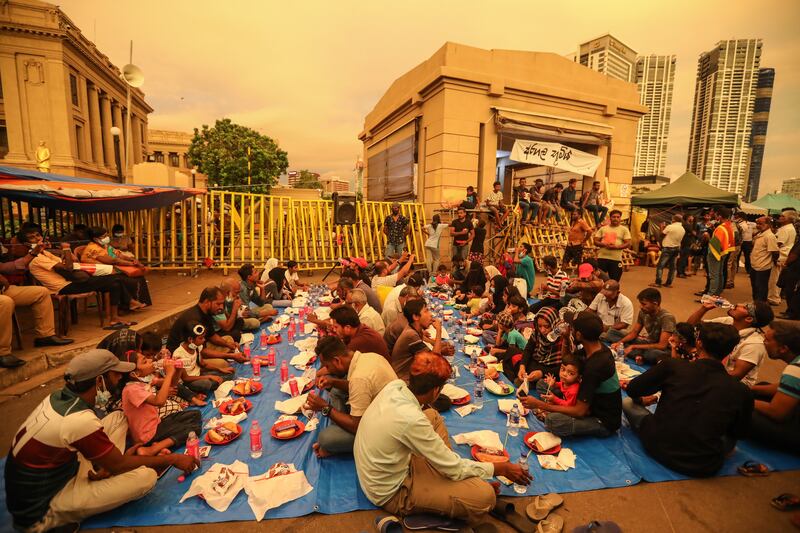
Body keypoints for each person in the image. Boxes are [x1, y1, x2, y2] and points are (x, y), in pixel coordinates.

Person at [4, 349, 197, 532]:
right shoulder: (80, 420)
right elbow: (120, 465)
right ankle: (53, 520)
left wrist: (111, 464)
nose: (120, 377)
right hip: (41, 508)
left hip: (59, 472)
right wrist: (173, 459)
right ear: (99, 381)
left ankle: (103, 466)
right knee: (146, 478)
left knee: (118, 418)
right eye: (115, 374)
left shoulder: (57, 397)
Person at [353, 352, 531, 525]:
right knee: (485, 497)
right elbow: (455, 468)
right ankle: (438, 502)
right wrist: (502, 468)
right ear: (436, 390)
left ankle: (451, 481)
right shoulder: (411, 419)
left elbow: (451, 465)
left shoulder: (396, 386)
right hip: (391, 491)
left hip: (385, 467)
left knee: (432, 415)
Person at [622, 322, 752, 477]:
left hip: (656, 445)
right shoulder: (741, 390)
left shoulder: (673, 366)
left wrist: (645, 398)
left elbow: (633, 389)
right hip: (703, 464)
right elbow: (740, 432)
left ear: (699, 343)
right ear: (731, 350)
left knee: (628, 403)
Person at [521, 312, 622, 437]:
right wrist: (565, 338)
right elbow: (567, 361)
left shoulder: (595, 366)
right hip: (583, 399)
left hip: (601, 419)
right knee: (543, 384)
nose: (569, 329)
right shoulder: (593, 348)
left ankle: (550, 411)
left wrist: (540, 405)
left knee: (554, 421)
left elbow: (580, 411)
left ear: (579, 334)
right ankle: (554, 407)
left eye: (572, 328)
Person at [21, 226, 136, 330]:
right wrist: (66, 250)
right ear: (27, 244)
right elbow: (68, 267)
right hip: (62, 287)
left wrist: (68, 252)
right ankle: (128, 304)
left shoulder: (45, 253)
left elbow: (71, 262)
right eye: (32, 238)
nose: (37, 238)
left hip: (70, 281)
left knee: (115, 284)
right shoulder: (36, 258)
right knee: (116, 278)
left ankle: (115, 318)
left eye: (38, 235)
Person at [304, 336, 397, 457]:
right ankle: (339, 436)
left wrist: (324, 408)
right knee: (336, 390)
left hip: (386, 432)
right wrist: (332, 381)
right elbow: (356, 386)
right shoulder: (369, 357)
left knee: (325, 438)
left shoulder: (359, 378)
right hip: (386, 412)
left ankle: (337, 444)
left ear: (337, 360)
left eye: (327, 366)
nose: (327, 370)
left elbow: (356, 427)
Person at [0, 244, 73, 367]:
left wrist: (33, 253)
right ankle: (2, 353)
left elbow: (8, 267)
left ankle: (45, 336)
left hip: (3, 289)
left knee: (41, 292)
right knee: (5, 302)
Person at [120, 351, 202, 456]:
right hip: (148, 435)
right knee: (194, 429)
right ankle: (152, 449)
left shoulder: (143, 382)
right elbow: (159, 401)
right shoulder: (131, 389)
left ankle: (160, 445)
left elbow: (172, 384)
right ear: (135, 373)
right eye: (145, 361)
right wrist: (169, 373)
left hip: (157, 424)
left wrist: (178, 369)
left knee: (195, 414)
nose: (151, 361)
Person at [686, 300, 773, 387]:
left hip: (733, 386)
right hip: (713, 370)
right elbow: (690, 328)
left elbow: (736, 376)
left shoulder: (754, 344)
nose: (738, 304)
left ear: (749, 319)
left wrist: (699, 375)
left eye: (744, 307)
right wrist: (703, 309)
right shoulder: (729, 321)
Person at [748, 321, 800, 453]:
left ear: (783, 348)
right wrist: (749, 390)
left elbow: (777, 413)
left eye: (767, 340)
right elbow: (787, 386)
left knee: (742, 412)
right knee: (761, 387)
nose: (763, 342)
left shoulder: (795, 370)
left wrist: (741, 399)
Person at [165, 286, 248, 365]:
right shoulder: (195, 320)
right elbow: (202, 351)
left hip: (197, 348)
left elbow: (212, 336)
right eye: (218, 304)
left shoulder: (206, 312)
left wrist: (229, 345)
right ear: (207, 302)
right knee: (223, 364)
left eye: (222, 304)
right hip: (183, 358)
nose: (221, 307)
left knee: (229, 340)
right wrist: (231, 356)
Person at [81, 226, 152, 308]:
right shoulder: (92, 248)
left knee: (139, 277)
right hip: (96, 275)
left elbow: (120, 255)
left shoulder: (105, 246)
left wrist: (133, 260)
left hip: (109, 271)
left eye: (106, 235)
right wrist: (132, 264)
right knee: (124, 279)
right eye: (104, 236)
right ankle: (127, 304)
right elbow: (112, 261)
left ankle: (135, 302)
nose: (107, 238)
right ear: (95, 239)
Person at [608, 288, 676, 365]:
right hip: (647, 342)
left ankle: (634, 353)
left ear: (655, 303)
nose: (640, 306)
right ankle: (635, 353)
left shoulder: (667, 318)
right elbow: (634, 333)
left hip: (660, 349)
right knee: (612, 332)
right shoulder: (643, 312)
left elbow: (662, 345)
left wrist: (633, 346)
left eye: (644, 304)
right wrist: (619, 342)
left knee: (652, 354)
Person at [391, 299, 444, 381]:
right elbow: (434, 360)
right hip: (404, 381)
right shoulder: (411, 335)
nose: (430, 314)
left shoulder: (413, 329)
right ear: (416, 317)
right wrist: (439, 331)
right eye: (426, 311)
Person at [510, 306, 565, 385]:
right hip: (536, 363)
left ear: (554, 324)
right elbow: (528, 350)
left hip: (551, 370)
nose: (542, 330)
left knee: (543, 382)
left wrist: (541, 373)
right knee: (512, 353)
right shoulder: (537, 333)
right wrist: (522, 367)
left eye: (546, 326)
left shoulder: (562, 338)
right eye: (539, 326)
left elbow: (563, 368)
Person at [172, 323, 229, 395]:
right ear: (190, 339)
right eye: (201, 338)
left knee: (228, 373)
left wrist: (220, 369)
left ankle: (217, 383)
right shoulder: (179, 355)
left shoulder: (197, 346)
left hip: (200, 375)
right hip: (189, 382)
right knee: (207, 383)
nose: (204, 340)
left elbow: (203, 364)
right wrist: (209, 376)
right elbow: (186, 378)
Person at [704, 207, 736, 297]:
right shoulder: (729, 226)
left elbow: (715, 244)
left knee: (713, 275)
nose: (714, 215)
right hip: (724, 253)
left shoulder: (721, 228)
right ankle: (717, 293)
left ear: (720, 216)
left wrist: (708, 237)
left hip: (715, 253)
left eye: (716, 214)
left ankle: (711, 295)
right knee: (720, 273)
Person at [769, 209, 798, 305]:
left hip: (781, 255)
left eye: (783, 216)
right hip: (784, 254)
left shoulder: (786, 229)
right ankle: (775, 297)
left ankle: (774, 298)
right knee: (777, 277)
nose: (780, 217)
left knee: (775, 278)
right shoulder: (786, 227)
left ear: (789, 219)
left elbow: (778, 243)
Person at [748, 216, 780, 302]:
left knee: (761, 288)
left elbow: (775, 252)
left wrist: (775, 262)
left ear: (768, 224)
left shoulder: (770, 236)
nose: (758, 225)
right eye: (757, 223)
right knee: (755, 287)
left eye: (760, 223)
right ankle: (756, 304)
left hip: (763, 267)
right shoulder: (760, 234)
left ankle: (760, 306)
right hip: (755, 265)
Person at [593, 210, 631, 281]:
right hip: (602, 258)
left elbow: (628, 243)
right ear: (610, 218)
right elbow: (595, 241)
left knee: (614, 281)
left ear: (620, 218)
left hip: (616, 259)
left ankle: (615, 292)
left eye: (618, 217)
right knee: (599, 280)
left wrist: (616, 247)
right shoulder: (603, 228)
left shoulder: (624, 229)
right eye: (614, 217)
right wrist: (604, 244)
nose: (616, 218)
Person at [652, 214, 685, 288]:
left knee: (660, 266)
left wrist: (661, 228)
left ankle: (658, 282)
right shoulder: (682, 229)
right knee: (672, 267)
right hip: (676, 248)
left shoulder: (670, 227)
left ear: (674, 220)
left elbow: (661, 235)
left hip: (668, 248)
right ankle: (668, 283)